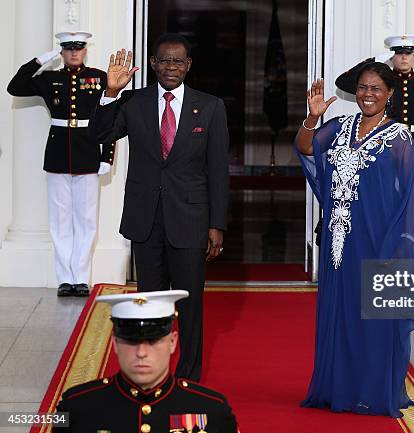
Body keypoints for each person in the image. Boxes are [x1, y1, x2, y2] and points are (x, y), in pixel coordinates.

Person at [90, 33, 230, 381]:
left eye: (177, 61)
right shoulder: (132, 102)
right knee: (149, 304)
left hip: (191, 220)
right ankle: (151, 374)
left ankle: (188, 378)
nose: (171, 67)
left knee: (190, 306)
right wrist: (110, 93)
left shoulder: (210, 106)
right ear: (153, 64)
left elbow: (217, 171)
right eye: (164, 60)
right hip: (145, 220)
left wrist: (216, 224)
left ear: (188, 66)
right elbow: (98, 134)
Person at [295, 62, 414, 417]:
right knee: (340, 311)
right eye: (364, 88)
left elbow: (409, 196)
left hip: (378, 239)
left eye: (376, 89)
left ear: (390, 94)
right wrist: (312, 117)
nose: (368, 94)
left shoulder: (399, 137)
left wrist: (400, 246)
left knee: (373, 318)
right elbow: (305, 147)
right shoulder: (339, 127)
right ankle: (339, 387)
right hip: (339, 239)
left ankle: (372, 390)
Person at [7, 31, 113, 297]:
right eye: (68, 49)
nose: (74, 53)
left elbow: (111, 118)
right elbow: (15, 86)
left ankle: (81, 277)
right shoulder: (49, 78)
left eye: (78, 48)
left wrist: (106, 157)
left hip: (89, 153)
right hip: (57, 155)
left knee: (86, 220)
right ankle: (65, 279)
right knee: (60, 220)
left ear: (85, 51)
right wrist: (42, 59)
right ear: (62, 52)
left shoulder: (100, 78)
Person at [53, 290, 238, 433]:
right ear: (115, 344)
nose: (141, 352)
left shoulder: (212, 410)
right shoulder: (76, 408)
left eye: (153, 341)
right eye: (132, 341)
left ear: (172, 342)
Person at [335, 35, 414, 180]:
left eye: (408, 53)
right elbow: (342, 82)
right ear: (391, 57)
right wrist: (373, 62)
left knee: (412, 200)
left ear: (413, 57)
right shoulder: (381, 83)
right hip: (385, 145)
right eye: (398, 53)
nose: (404, 57)